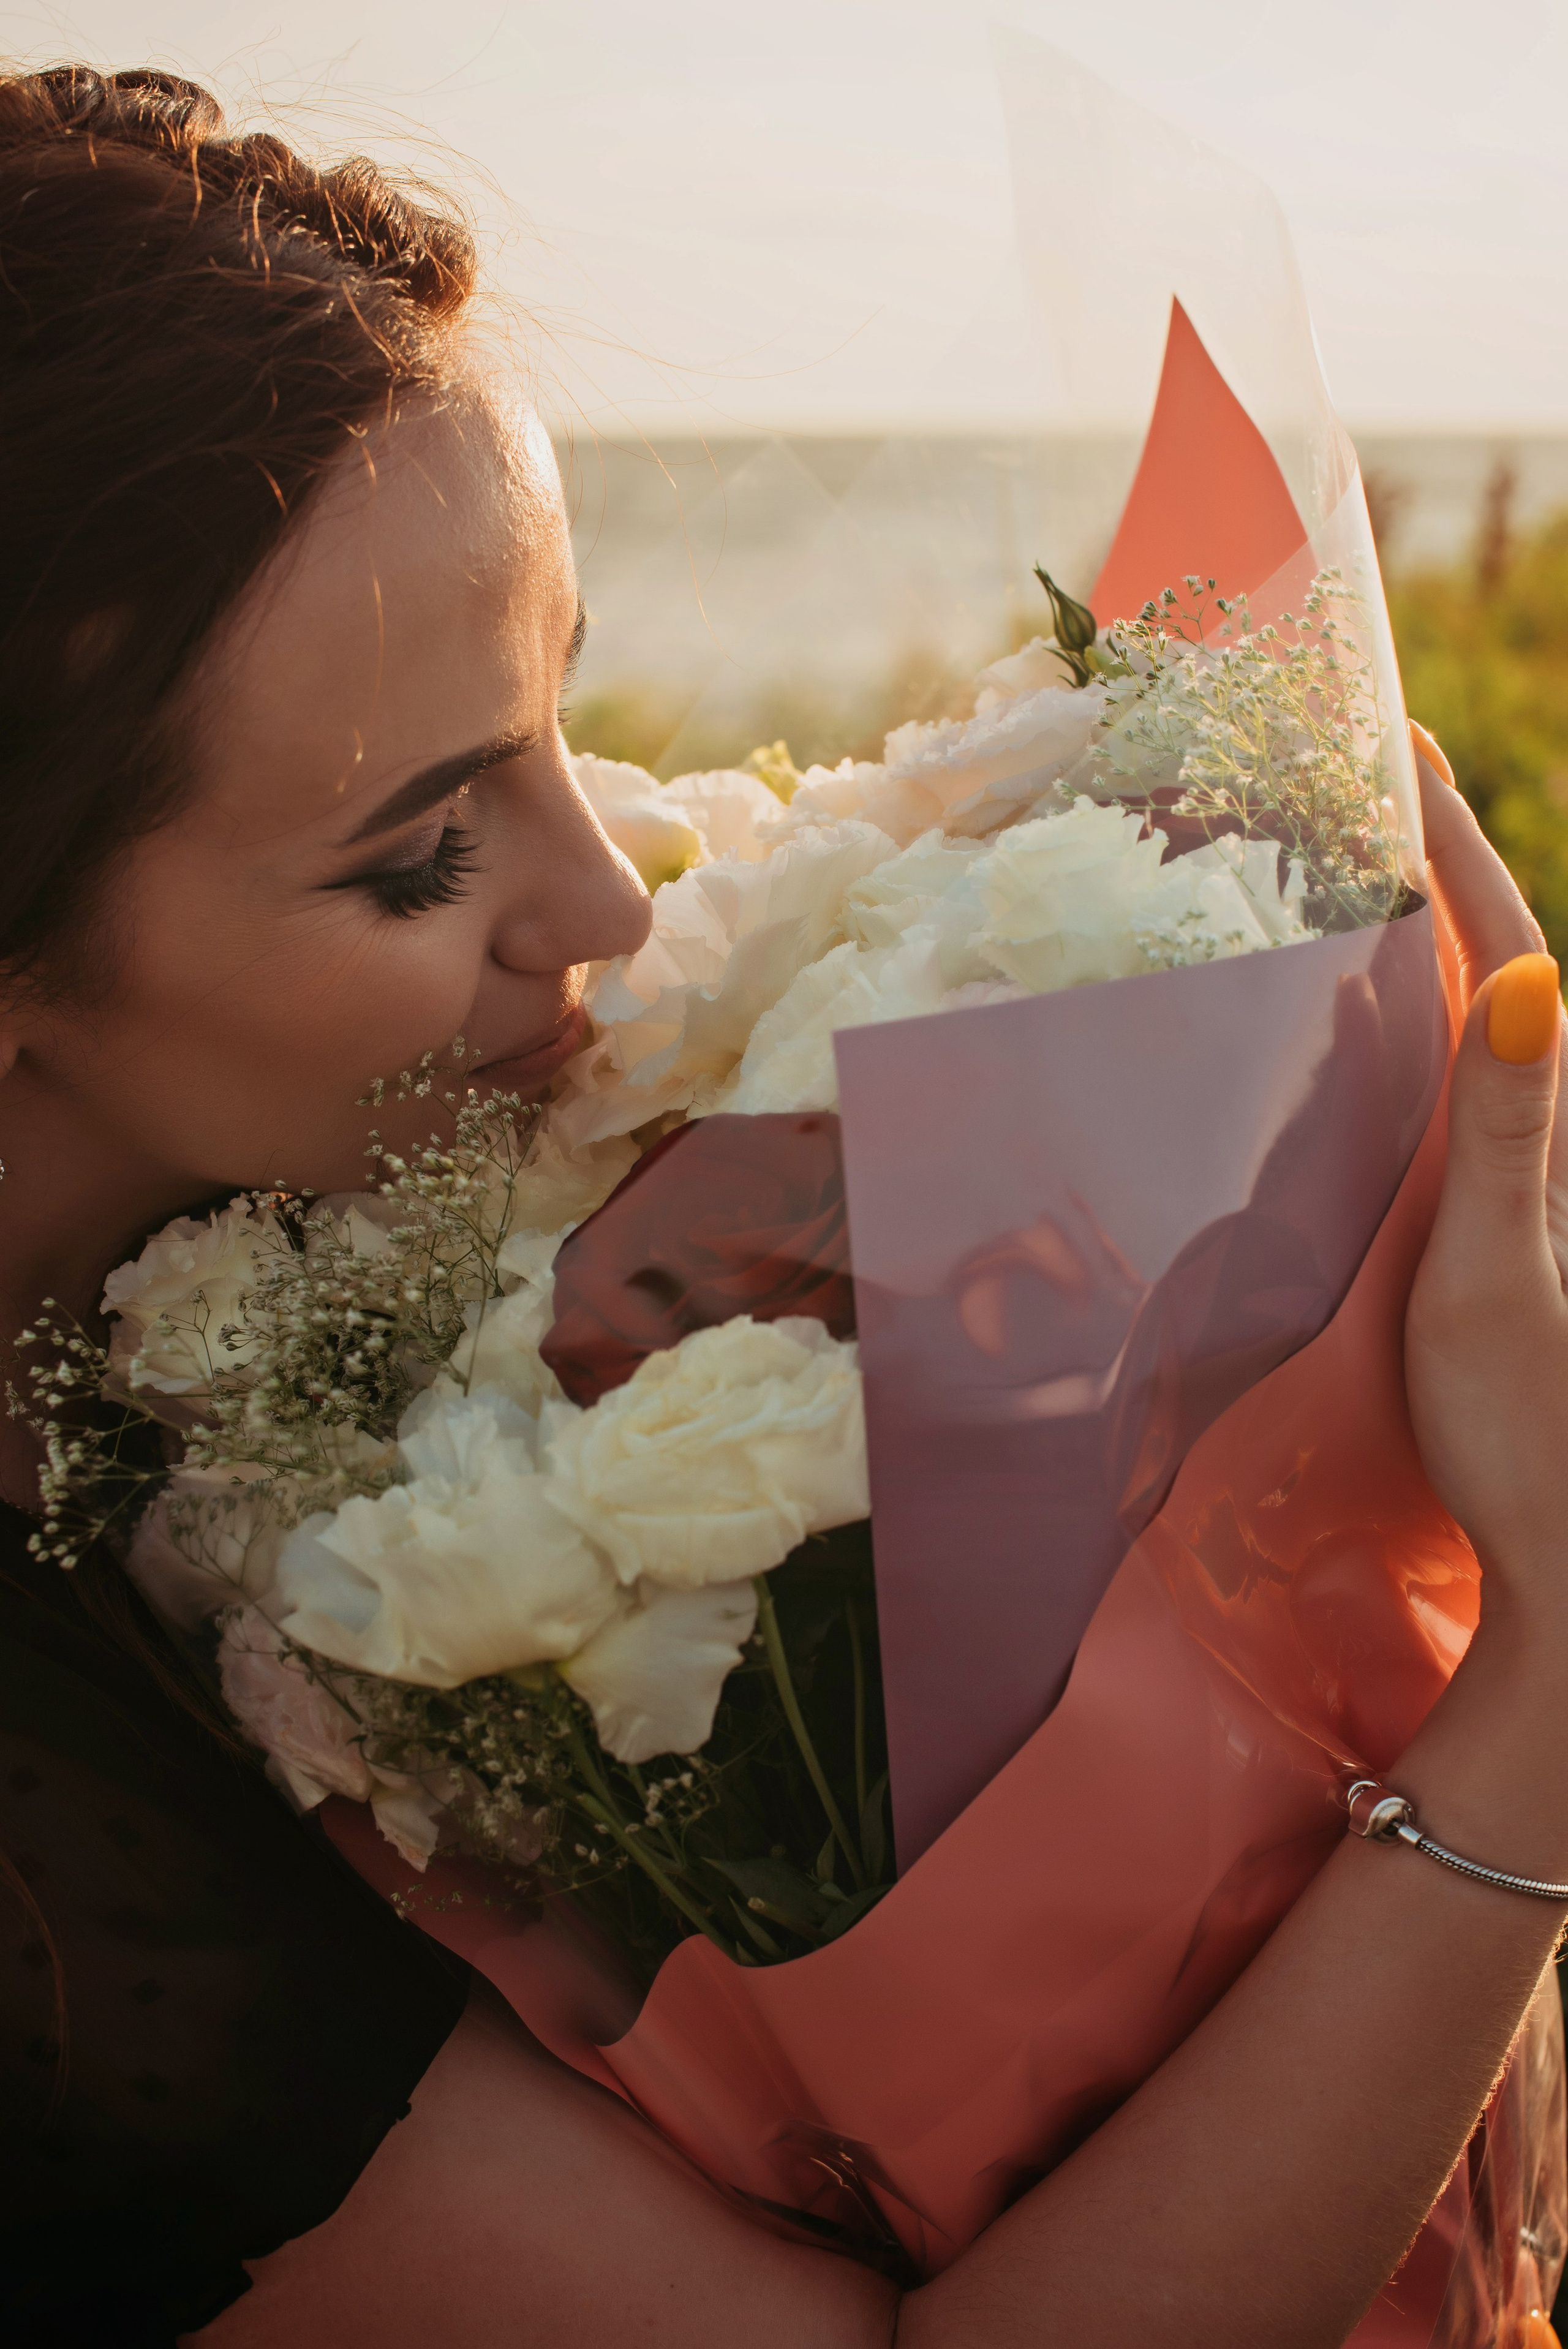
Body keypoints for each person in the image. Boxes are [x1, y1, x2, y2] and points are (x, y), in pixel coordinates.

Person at [0, 61, 1564, 2349]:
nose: (611, 900)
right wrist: (1542, 1695)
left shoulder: (294, 1201)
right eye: (423, 852)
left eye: (561, 706)